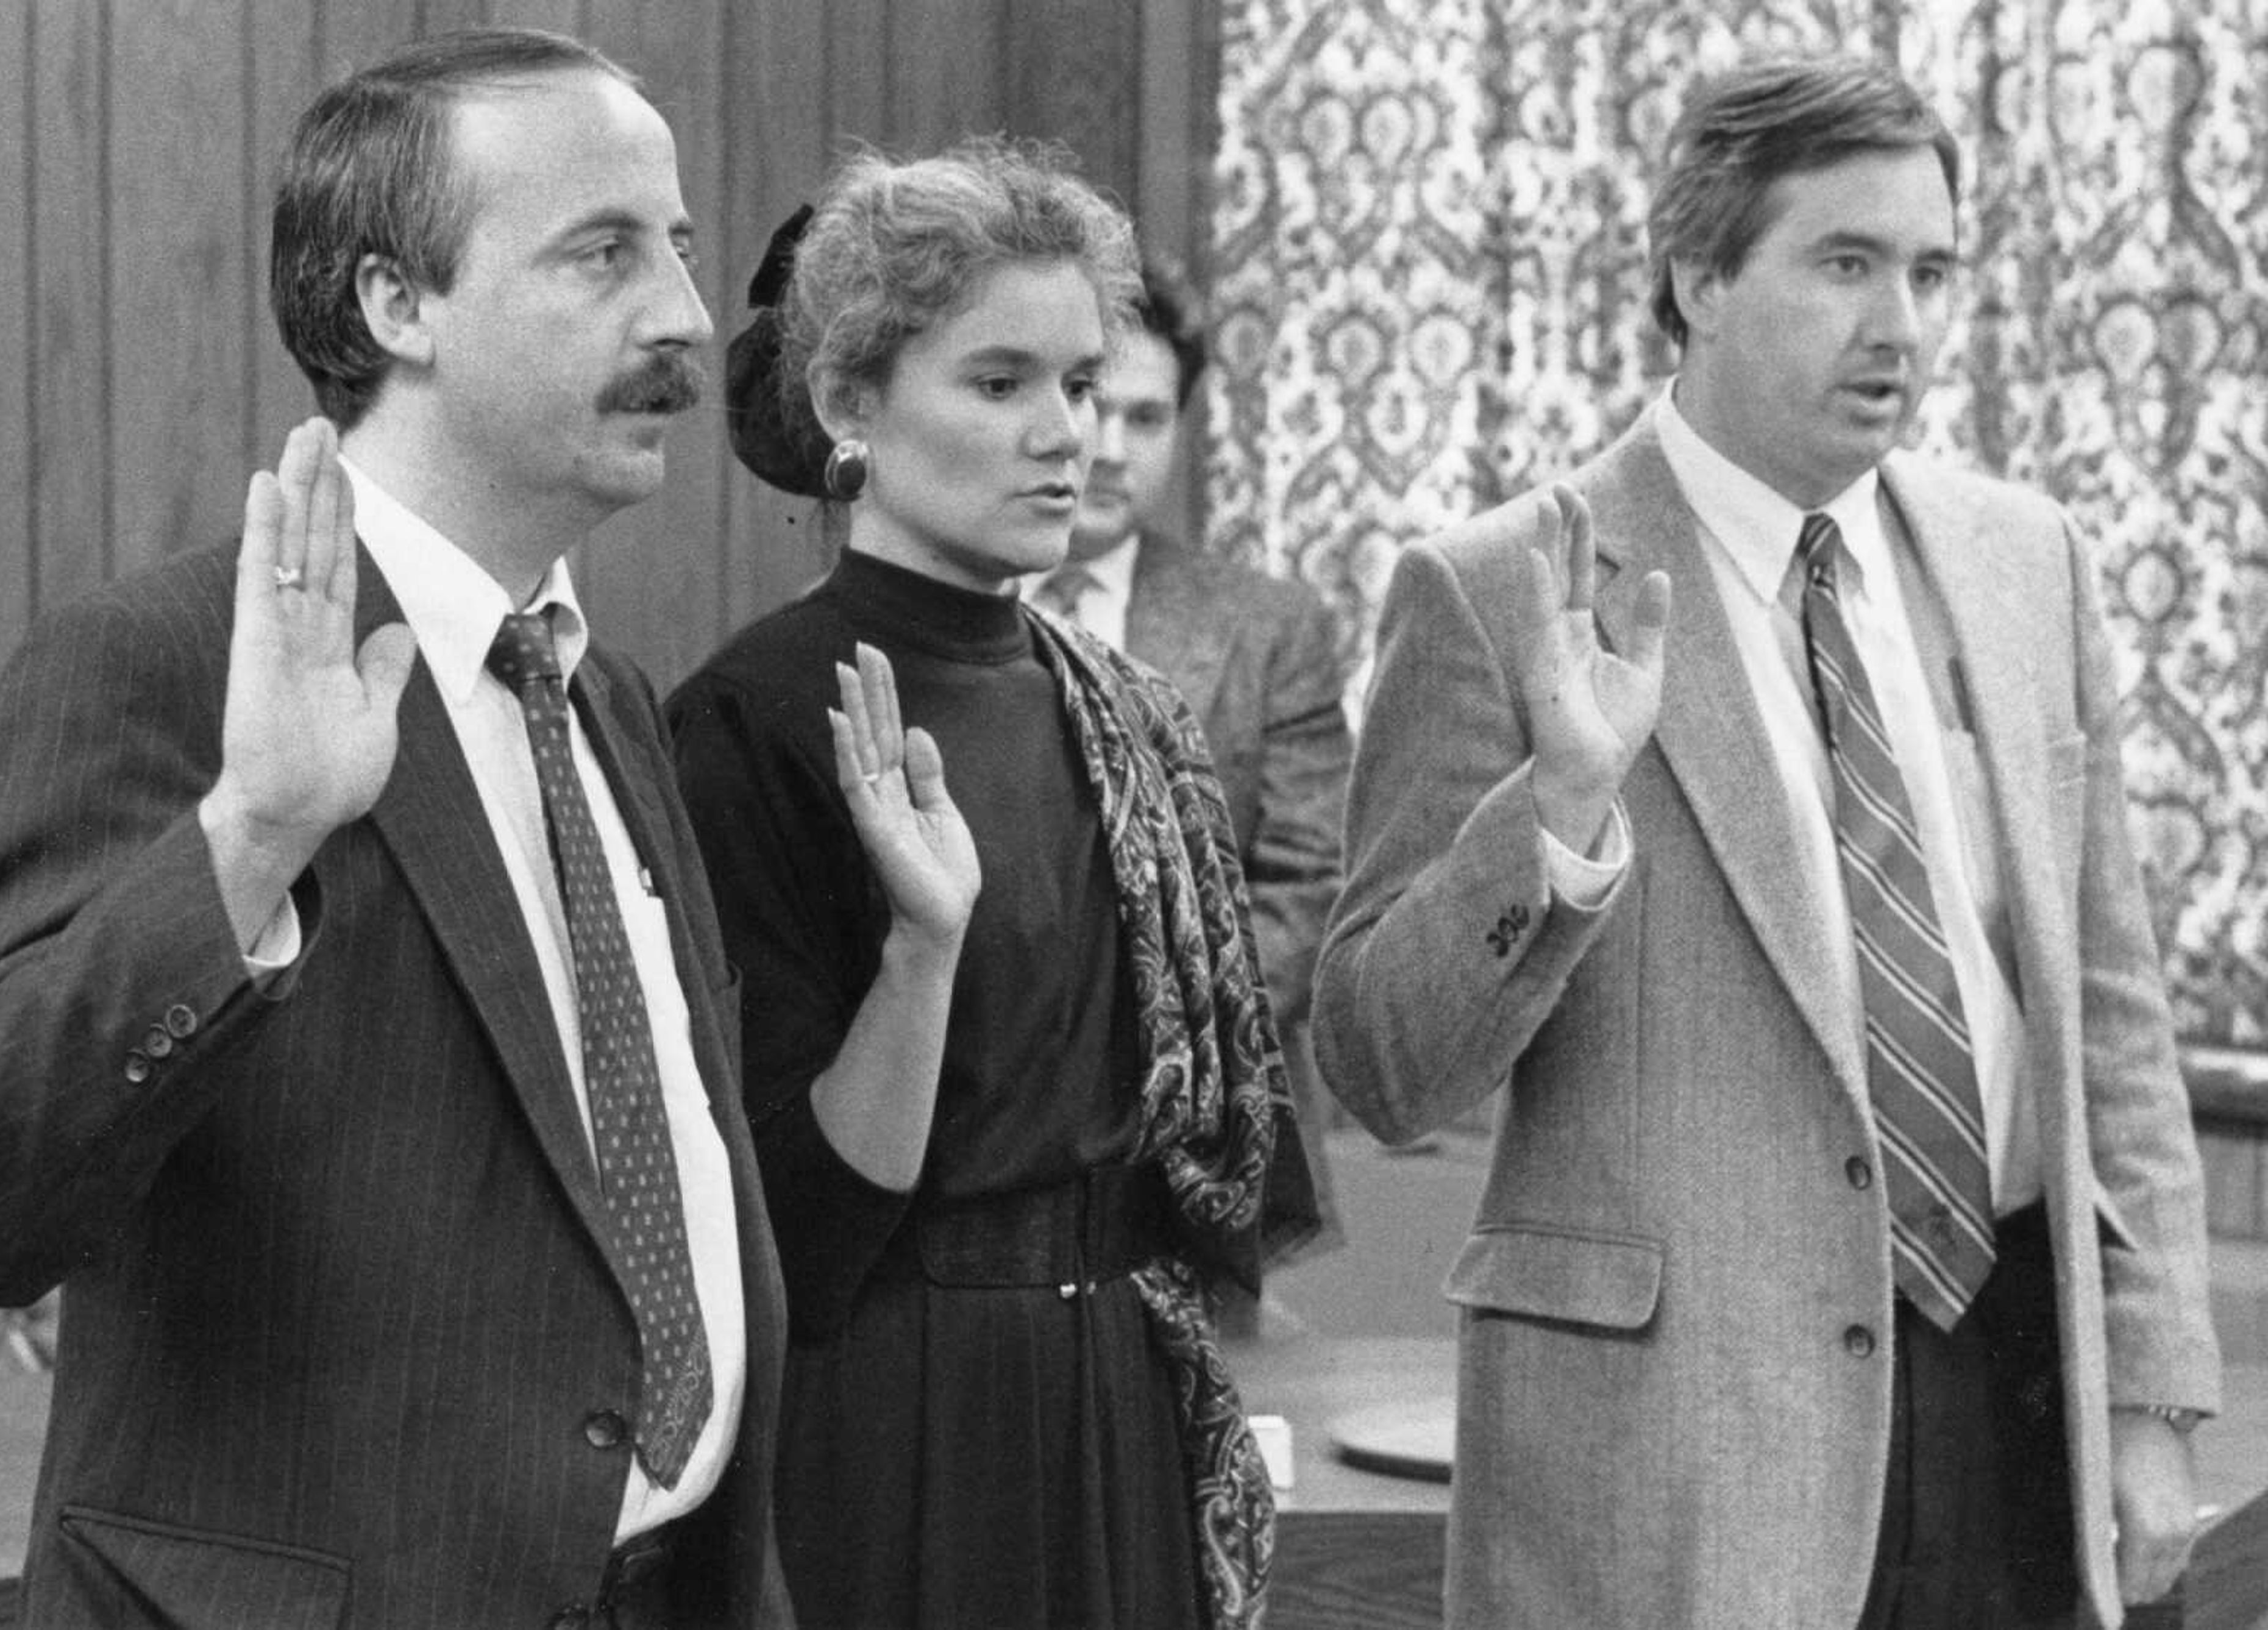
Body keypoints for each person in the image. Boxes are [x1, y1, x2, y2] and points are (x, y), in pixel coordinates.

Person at [1315, 54, 2220, 1630]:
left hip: (2018, 1399)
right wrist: (1560, 812)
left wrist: (2148, 1392)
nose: (1904, 325)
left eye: (1933, 271)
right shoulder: (1500, 586)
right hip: (1683, 1461)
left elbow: (2116, 1025)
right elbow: (1384, 1064)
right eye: (1846, 264)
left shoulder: (2026, 561)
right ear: (1699, 278)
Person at [0, 30, 788, 1629]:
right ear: (398, 307)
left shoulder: (609, 701)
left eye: (677, 248)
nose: (681, 314)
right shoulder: (164, 665)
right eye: (602, 253)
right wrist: (249, 837)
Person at [667, 141, 1315, 1630]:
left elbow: (1211, 1169)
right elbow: (798, 1230)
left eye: (1081, 384)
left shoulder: (1131, 710)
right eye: (999, 382)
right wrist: (925, 946)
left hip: (1125, 1385)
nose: (1064, 435)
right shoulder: (756, 716)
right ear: (850, 405)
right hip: (893, 1412)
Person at [1025, 258, 1353, 1270]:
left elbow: (1308, 893)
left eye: (1149, 419)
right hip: (982, 1145)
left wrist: (1131, 1047)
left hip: (1206, 1152)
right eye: (1091, 404)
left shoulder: (1268, 628)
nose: (1111, 450)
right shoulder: (932, 608)